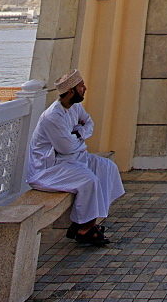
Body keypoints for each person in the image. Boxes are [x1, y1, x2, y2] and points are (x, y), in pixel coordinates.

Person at [27, 69, 124, 246]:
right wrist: (79, 138)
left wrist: (78, 133)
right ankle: (84, 229)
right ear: (71, 91)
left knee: (107, 168)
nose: (85, 88)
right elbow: (66, 148)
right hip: (50, 168)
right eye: (81, 86)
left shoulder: (75, 107)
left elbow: (89, 124)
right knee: (89, 181)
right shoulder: (52, 117)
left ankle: (86, 222)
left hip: (74, 158)